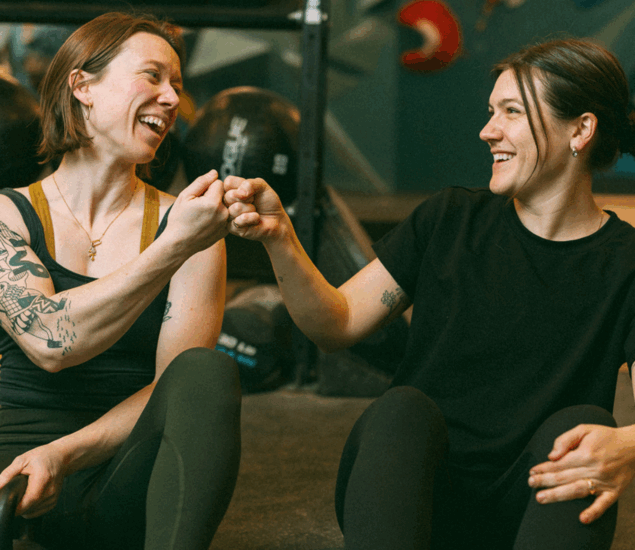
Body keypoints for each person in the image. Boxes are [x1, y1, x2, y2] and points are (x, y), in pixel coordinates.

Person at [223, 38, 635, 549]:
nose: (488, 131)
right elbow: (337, 323)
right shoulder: (450, 220)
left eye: (511, 112)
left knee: (588, 426)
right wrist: (280, 238)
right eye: (490, 112)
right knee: (402, 410)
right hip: (410, 495)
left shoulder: (626, 262)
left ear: (581, 129)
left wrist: (627, 444)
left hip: (528, 509)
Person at [0, 12, 240, 550]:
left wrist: (63, 455)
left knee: (205, 372)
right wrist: (173, 246)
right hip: (10, 464)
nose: (173, 99)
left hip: (117, 471)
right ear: (82, 86)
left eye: (177, 85)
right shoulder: (7, 216)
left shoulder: (190, 226)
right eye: (152, 76)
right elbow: (49, 341)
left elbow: (175, 391)